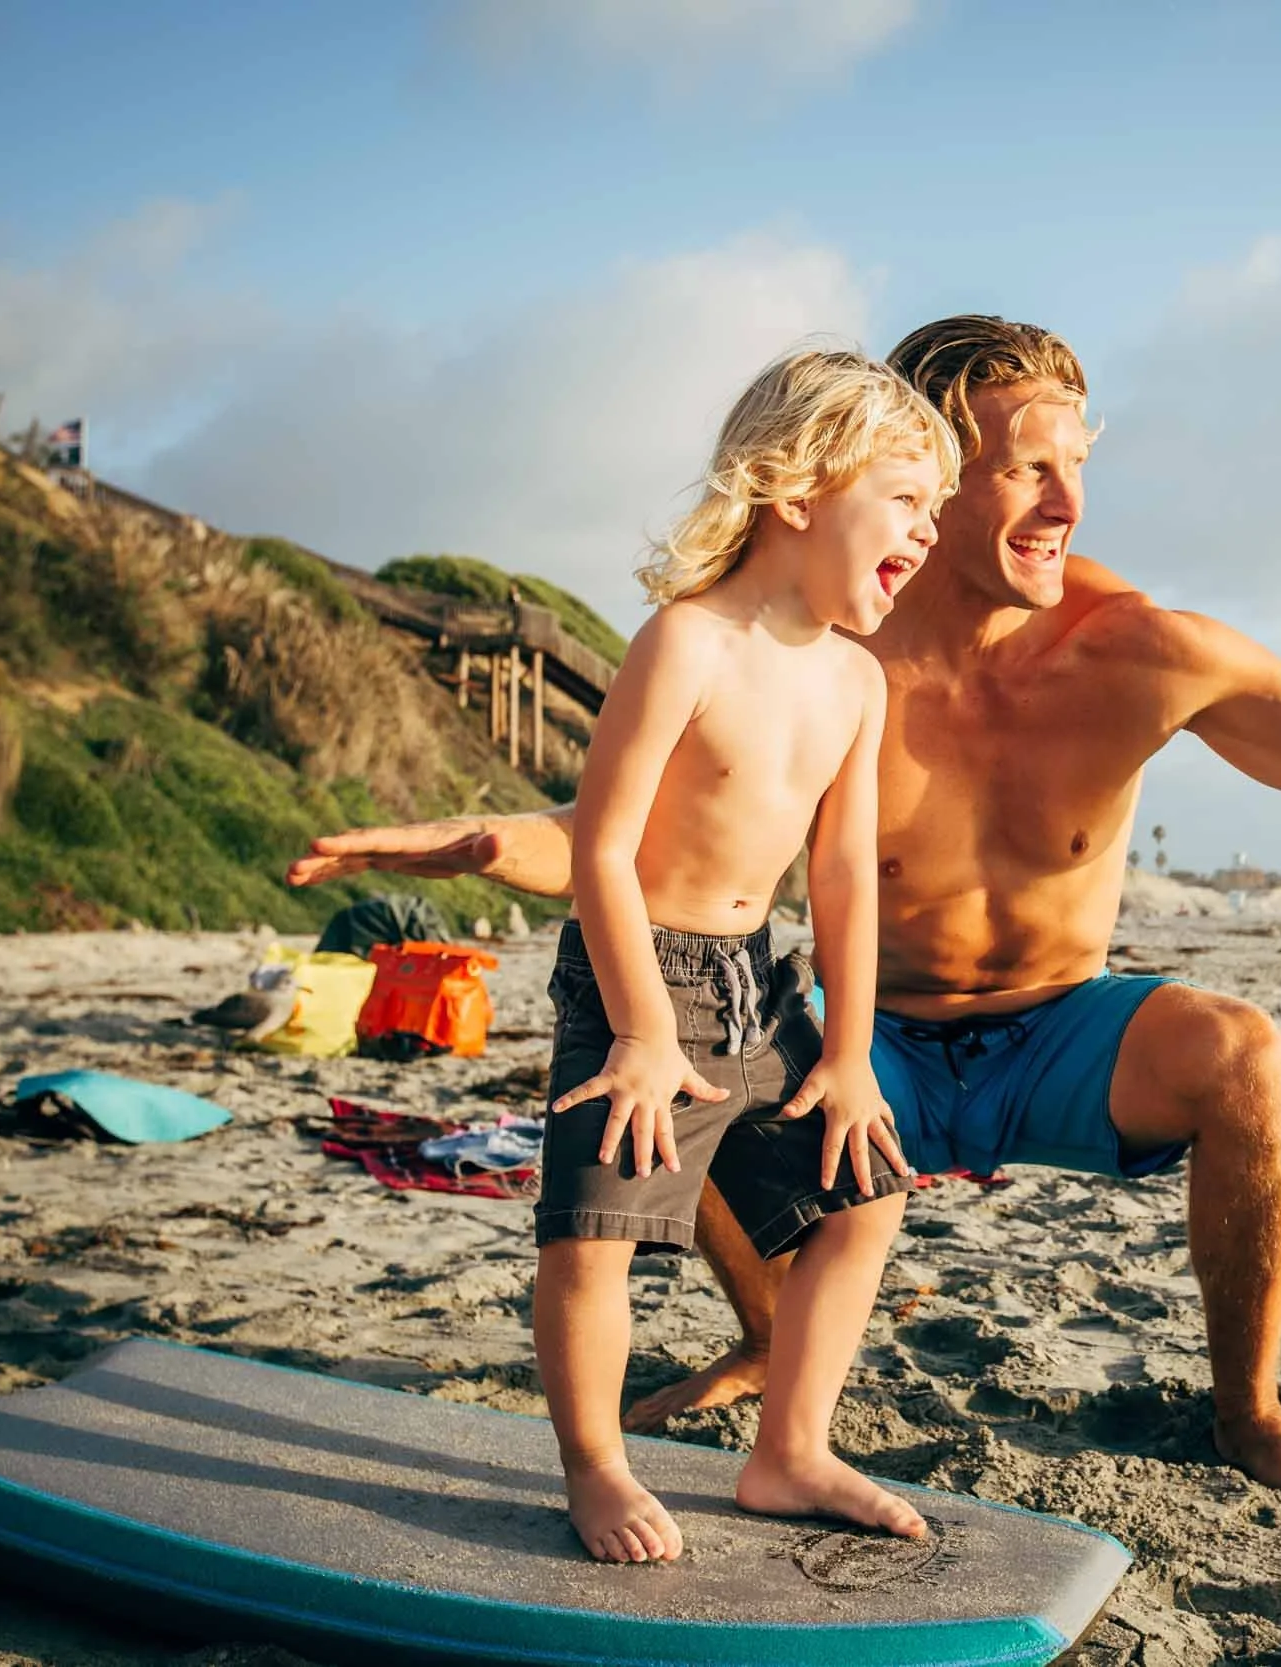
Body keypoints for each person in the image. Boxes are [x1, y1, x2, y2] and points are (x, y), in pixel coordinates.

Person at [290, 315, 1281, 1494]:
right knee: (715, 1067)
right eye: (1023, 468)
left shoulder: (1142, 651)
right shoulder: (818, 649)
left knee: (1248, 1053)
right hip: (879, 1032)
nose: (1066, 502)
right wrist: (460, 844)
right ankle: (770, 1345)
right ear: (916, 474)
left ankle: (1244, 1405)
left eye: (1078, 465)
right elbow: (647, 846)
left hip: (1056, 1030)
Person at [531, 348, 954, 1563]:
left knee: (865, 1195)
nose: (928, 531)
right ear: (797, 488)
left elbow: (842, 876)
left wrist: (852, 1054)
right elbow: (601, 847)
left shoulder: (857, 681)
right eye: (906, 499)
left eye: (934, 509)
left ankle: (790, 1449)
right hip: (639, 979)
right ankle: (596, 1465)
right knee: (594, 1234)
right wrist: (640, 1029)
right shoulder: (687, 642)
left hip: (759, 986)